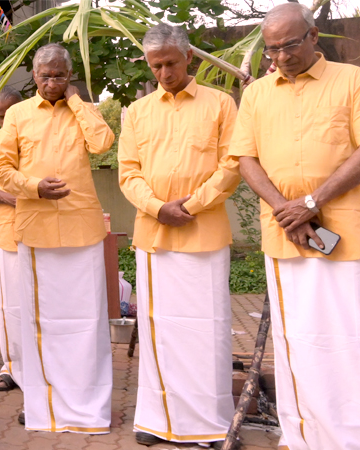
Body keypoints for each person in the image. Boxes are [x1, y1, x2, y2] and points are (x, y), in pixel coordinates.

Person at [229, 4, 360, 449]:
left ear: (313, 36)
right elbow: (246, 158)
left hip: (343, 236)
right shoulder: (257, 95)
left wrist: (311, 203)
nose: (281, 56)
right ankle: (303, 436)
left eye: (289, 45)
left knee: (347, 341)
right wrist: (286, 209)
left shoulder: (351, 80)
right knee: (295, 341)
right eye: (272, 49)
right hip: (285, 234)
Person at [118, 23, 240, 449]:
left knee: (207, 330)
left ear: (189, 57)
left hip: (204, 234)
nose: (164, 73)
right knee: (159, 331)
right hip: (154, 237)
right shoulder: (137, 112)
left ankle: (209, 424)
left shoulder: (220, 104)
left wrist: (190, 206)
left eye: (171, 63)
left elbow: (232, 165)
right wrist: (157, 208)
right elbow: (128, 173)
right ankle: (156, 420)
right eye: (155, 66)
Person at [0, 43, 115, 433]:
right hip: (36, 229)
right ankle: (43, 406)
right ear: (34, 75)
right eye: (45, 75)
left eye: (59, 75)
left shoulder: (82, 109)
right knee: (40, 324)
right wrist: (34, 188)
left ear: (69, 75)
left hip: (82, 230)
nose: (51, 82)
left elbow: (103, 143)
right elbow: (2, 169)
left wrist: (76, 101)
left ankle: (87, 407)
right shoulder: (17, 114)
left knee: (87, 322)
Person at [0, 87, 24, 393]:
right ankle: (12, 368)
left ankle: (45, 369)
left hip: (49, 237)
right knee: (11, 309)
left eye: (8, 114)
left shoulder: (40, 135)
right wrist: (15, 199)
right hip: (10, 237)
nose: (3, 122)